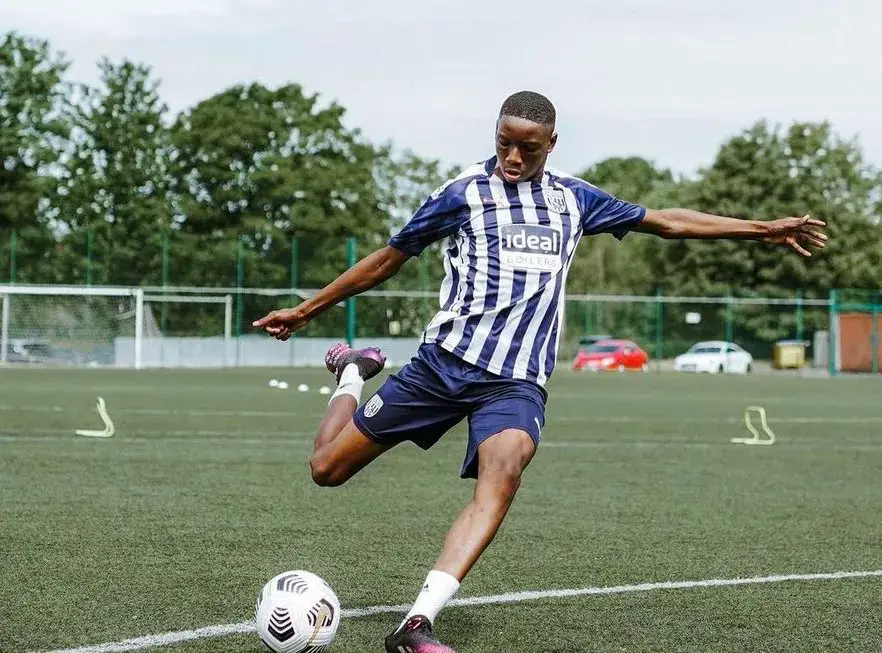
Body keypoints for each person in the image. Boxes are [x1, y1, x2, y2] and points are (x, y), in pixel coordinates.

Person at [253, 90, 827, 653]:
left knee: (504, 469)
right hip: (442, 365)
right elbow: (389, 257)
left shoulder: (574, 202)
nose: (512, 158)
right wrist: (308, 310)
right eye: (504, 144)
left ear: (552, 144)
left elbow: (668, 222)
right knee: (326, 470)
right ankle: (352, 375)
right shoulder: (462, 194)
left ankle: (416, 625)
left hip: (515, 380)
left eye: (527, 148)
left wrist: (761, 229)